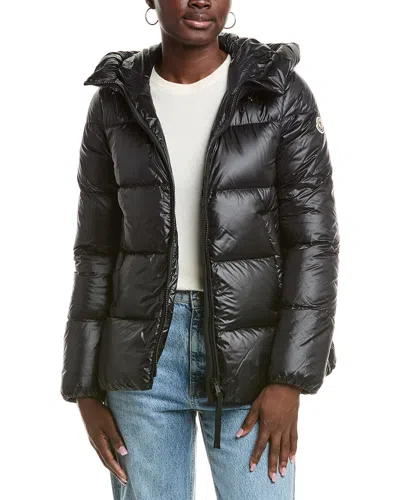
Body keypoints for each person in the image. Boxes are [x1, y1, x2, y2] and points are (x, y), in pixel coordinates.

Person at [60, 1, 340, 499]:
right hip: (140, 360)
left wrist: (290, 379)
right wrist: (83, 386)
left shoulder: (278, 93)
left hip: (253, 357)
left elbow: (313, 244)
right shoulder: (115, 101)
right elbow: (95, 250)